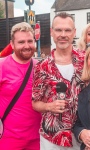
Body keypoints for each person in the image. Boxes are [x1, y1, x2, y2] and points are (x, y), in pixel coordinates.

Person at [32, 12, 83, 150]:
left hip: (82, 135)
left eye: (67, 30)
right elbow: (35, 102)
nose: (63, 34)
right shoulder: (42, 66)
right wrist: (49, 106)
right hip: (52, 137)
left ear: (74, 32)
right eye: (58, 30)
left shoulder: (86, 60)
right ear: (51, 32)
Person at [0, 22, 41, 150]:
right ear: (12, 44)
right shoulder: (1, 66)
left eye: (30, 41)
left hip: (38, 139)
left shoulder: (41, 67)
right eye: (21, 42)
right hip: (8, 140)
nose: (27, 46)